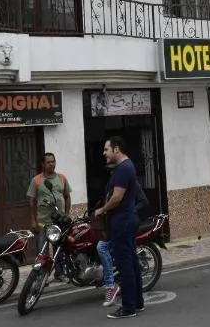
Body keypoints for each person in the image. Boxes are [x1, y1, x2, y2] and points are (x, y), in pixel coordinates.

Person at [94, 137, 144, 319]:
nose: (104, 153)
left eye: (106, 149)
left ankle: (128, 308)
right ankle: (137, 302)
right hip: (127, 219)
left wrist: (102, 209)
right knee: (131, 262)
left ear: (116, 149)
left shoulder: (123, 168)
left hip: (122, 221)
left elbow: (116, 197)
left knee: (125, 266)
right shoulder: (126, 166)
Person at [27, 152, 72, 281]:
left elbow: (67, 197)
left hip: (59, 222)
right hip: (43, 223)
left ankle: (60, 273)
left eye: (53, 161)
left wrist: (67, 215)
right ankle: (42, 276)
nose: (52, 164)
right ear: (43, 164)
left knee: (59, 249)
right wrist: (33, 220)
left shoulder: (62, 178)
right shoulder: (36, 180)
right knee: (42, 251)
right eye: (49, 162)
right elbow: (31, 201)